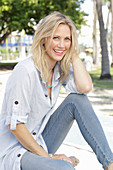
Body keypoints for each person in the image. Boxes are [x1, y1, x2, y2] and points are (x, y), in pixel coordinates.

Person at [0, 11, 113, 170]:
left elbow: (85, 87)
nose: (61, 45)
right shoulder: (25, 71)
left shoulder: (59, 71)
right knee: (64, 168)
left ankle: (110, 163)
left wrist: (73, 53)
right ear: (44, 39)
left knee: (77, 100)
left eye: (67, 39)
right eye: (56, 38)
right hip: (14, 153)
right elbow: (16, 126)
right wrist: (50, 158)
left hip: (39, 140)